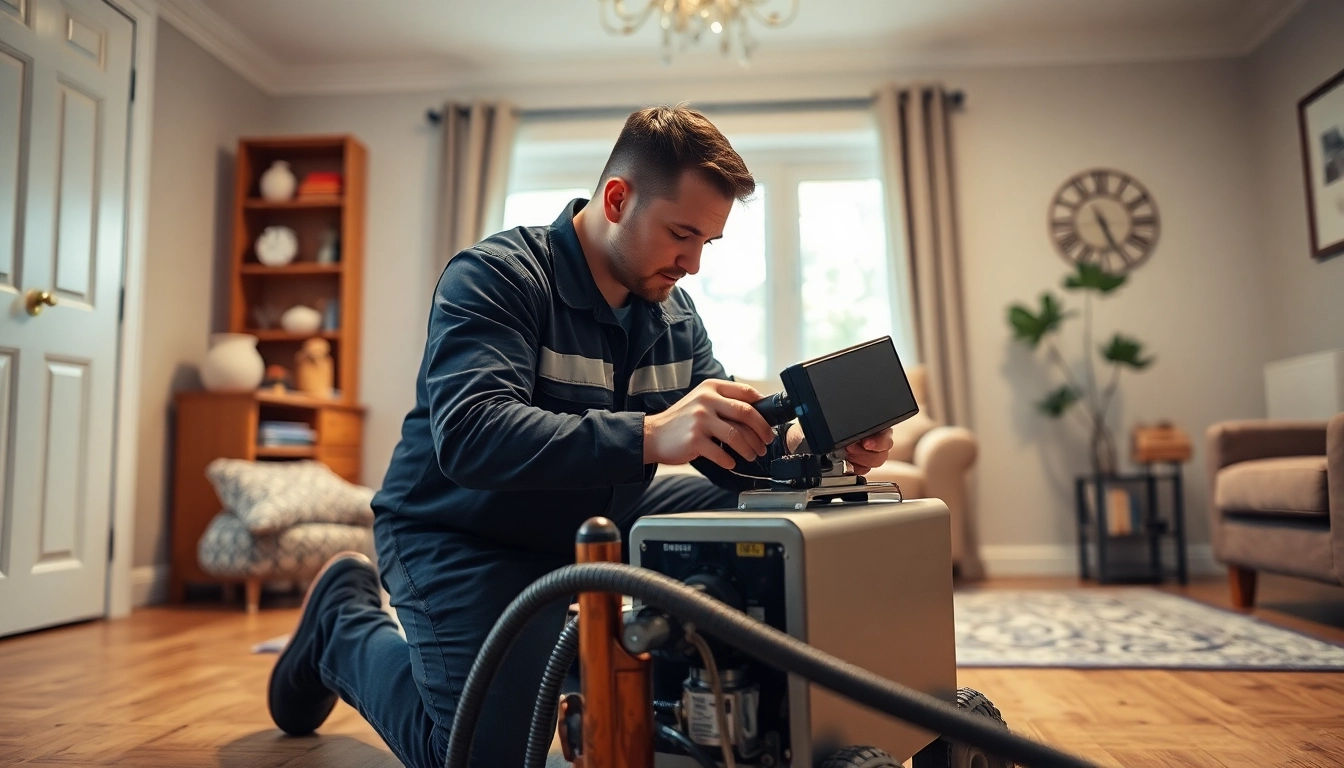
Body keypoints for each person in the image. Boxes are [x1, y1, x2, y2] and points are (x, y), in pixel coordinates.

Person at [265, 105, 895, 768]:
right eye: (682, 234)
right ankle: (342, 625)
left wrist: (809, 451)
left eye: (707, 243)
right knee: (485, 754)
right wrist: (652, 433)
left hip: (596, 519)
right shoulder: (496, 277)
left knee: (773, 517)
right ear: (618, 198)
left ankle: (664, 676)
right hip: (462, 530)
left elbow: (721, 441)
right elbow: (472, 435)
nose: (694, 264)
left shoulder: (674, 313)